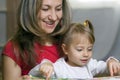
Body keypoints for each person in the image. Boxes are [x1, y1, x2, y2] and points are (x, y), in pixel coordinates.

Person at [1, 0, 71, 80]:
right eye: (45, 9)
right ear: (29, 10)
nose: (54, 17)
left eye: (58, 9)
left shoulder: (68, 42)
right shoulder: (14, 48)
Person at [29, 20, 120, 79]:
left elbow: (106, 68)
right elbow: (33, 74)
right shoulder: (60, 67)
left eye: (89, 49)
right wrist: (46, 64)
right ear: (65, 49)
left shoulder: (90, 64)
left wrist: (112, 61)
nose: (86, 54)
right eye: (80, 50)